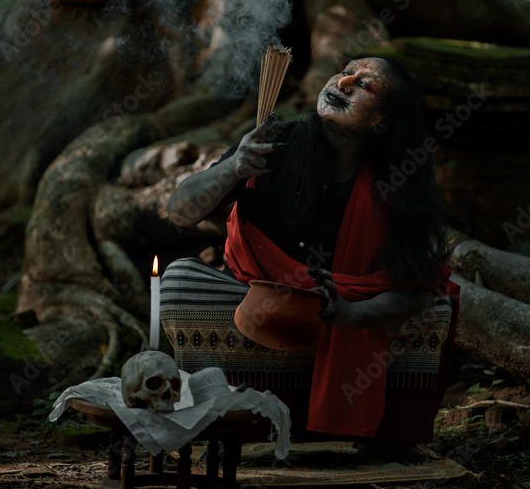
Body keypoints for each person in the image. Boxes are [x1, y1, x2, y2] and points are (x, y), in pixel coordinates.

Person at [164, 56, 458, 464]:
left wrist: (351, 315)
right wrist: (232, 167)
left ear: (383, 123)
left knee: (437, 305)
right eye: (345, 71)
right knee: (180, 281)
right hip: (250, 301)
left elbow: (414, 286)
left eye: (365, 85)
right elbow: (179, 212)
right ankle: (226, 422)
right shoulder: (275, 140)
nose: (345, 80)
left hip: (342, 314)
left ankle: (378, 441)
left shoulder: (400, 181)